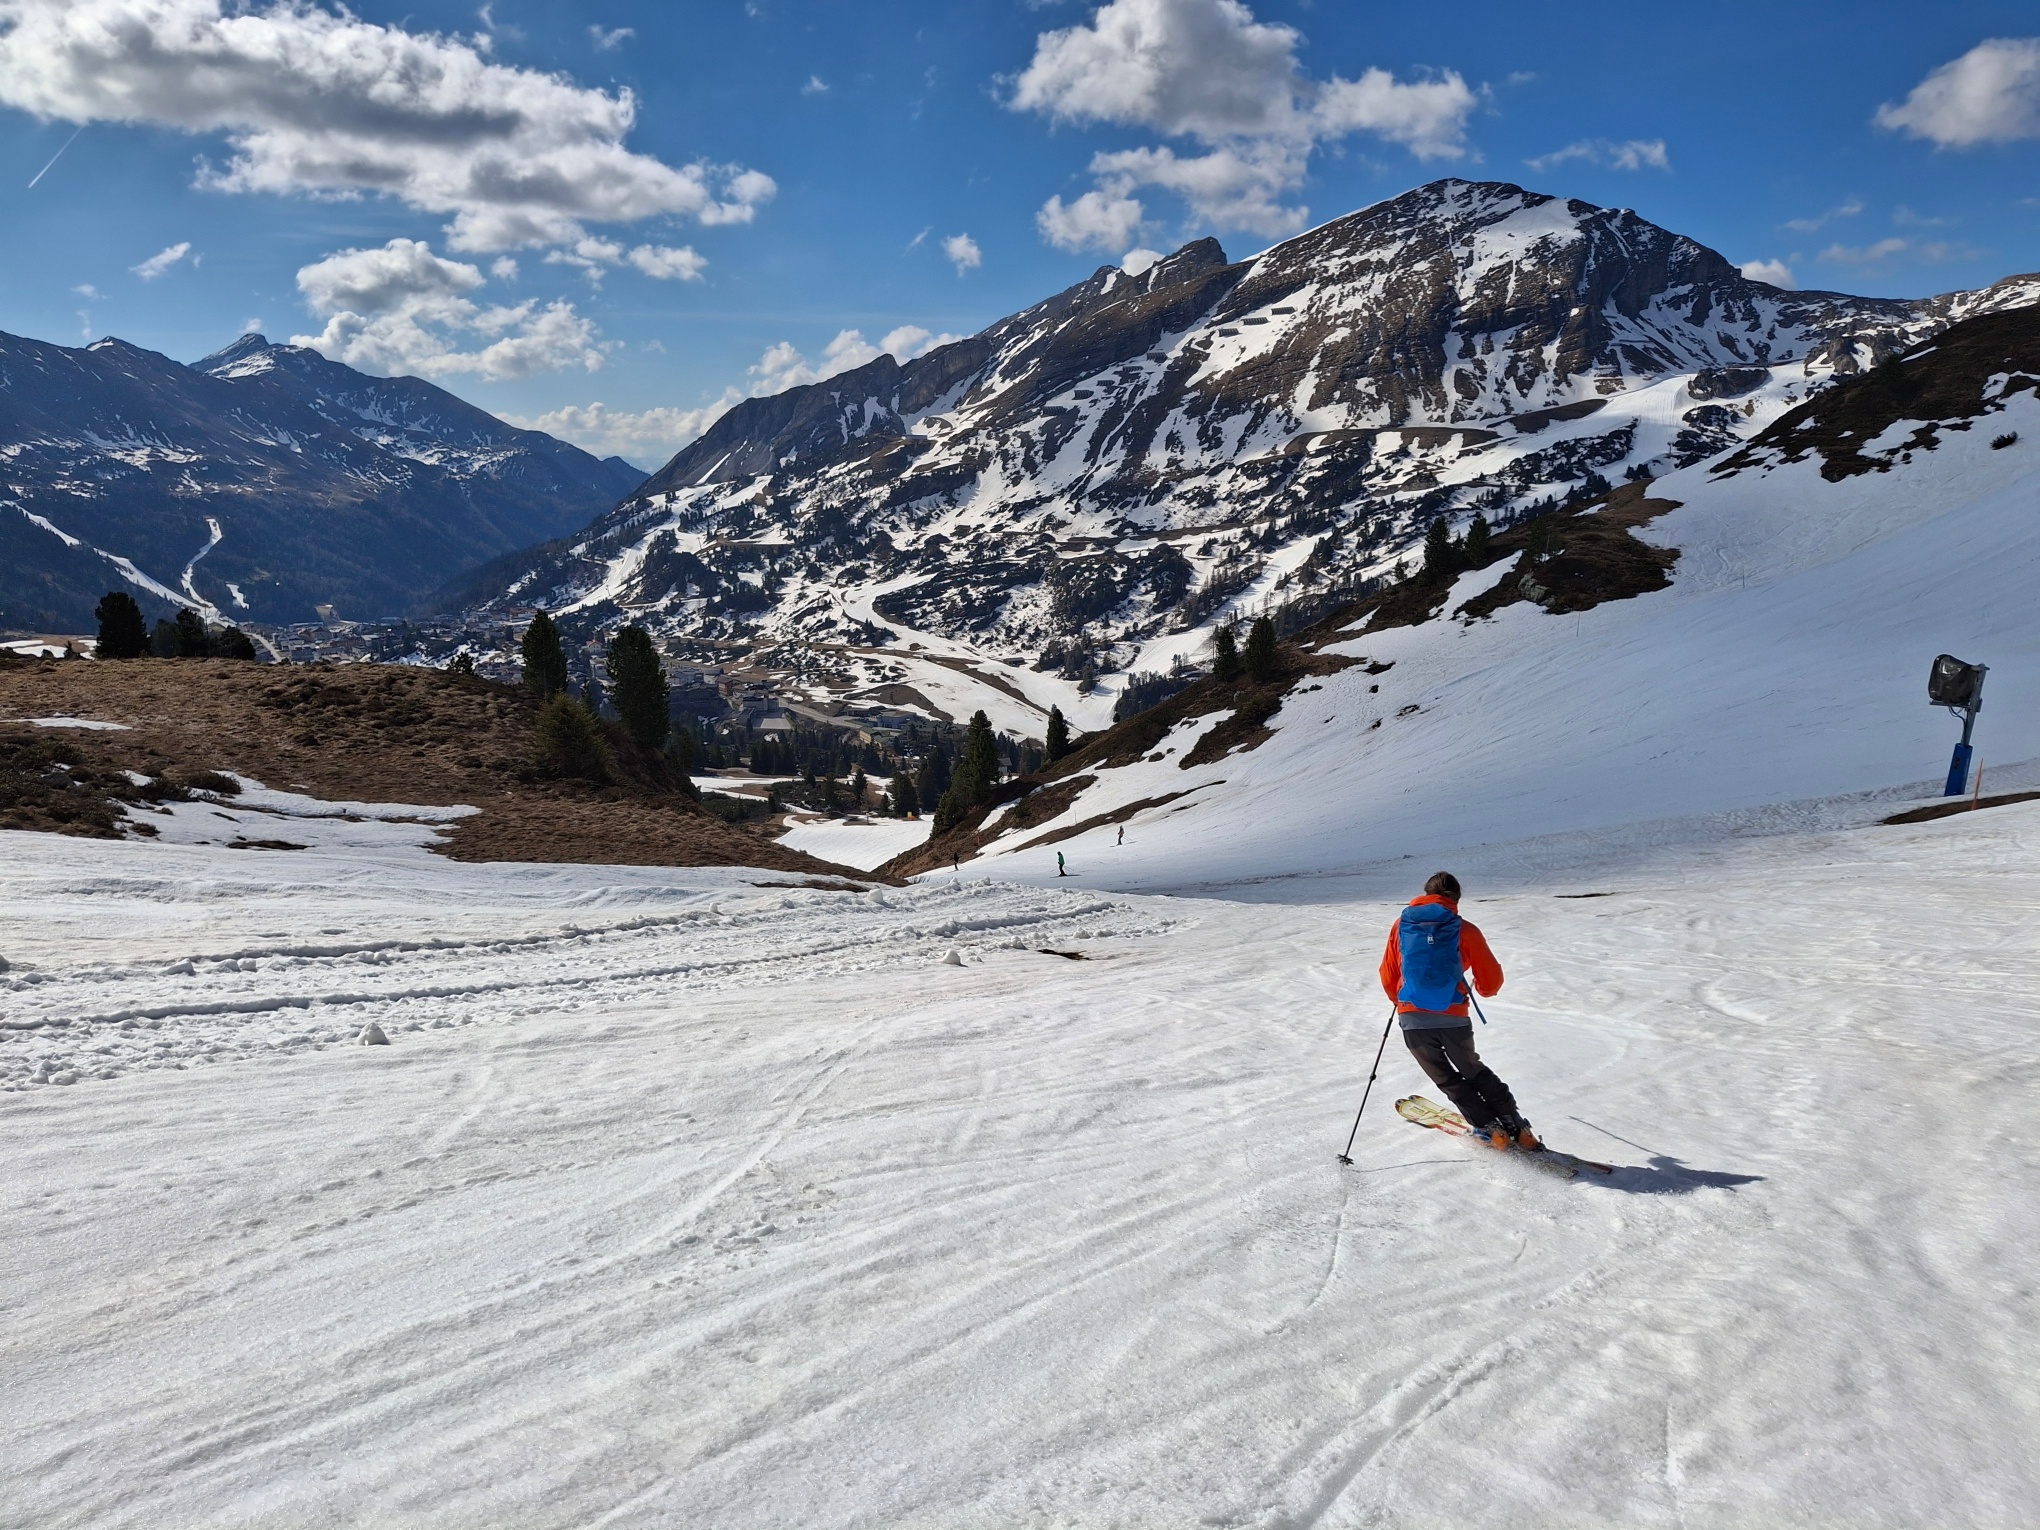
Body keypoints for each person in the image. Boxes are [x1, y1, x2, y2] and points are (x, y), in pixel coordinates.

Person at [1378, 871, 1536, 1150]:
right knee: (1473, 1070)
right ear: (1456, 899)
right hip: (1454, 1017)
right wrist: (1484, 990)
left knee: (1445, 1077)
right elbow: (1491, 980)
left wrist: (1399, 1000)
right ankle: (1517, 1127)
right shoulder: (1465, 929)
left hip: (1412, 1016)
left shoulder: (1401, 926)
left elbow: (1388, 972)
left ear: (1425, 894)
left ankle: (1490, 1129)